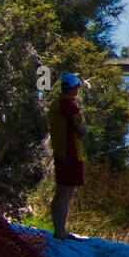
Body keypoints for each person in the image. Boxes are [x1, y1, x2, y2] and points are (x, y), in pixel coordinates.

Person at [48, 73, 86, 239]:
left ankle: (58, 229)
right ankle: (61, 231)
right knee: (66, 193)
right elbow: (83, 131)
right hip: (71, 153)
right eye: (76, 87)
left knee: (59, 193)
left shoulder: (55, 105)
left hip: (59, 152)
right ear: (72, 89)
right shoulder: (70, 107)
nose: (77, 90)